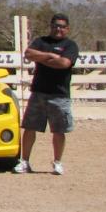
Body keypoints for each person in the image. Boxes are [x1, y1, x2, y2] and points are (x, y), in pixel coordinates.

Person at [16, 13, 79, 175]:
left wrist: (41, 58)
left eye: (62, 26)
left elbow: (64, 63)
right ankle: (24, 162)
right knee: (29, 128)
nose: (59, 29)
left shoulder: (70, 45)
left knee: (59, 130)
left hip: (59, 94)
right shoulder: (41, 41)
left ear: (68, 28)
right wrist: (50, 56)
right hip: (38, 92)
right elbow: (28, 54)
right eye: (56, 25)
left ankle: (57, 162)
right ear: (51, 26)